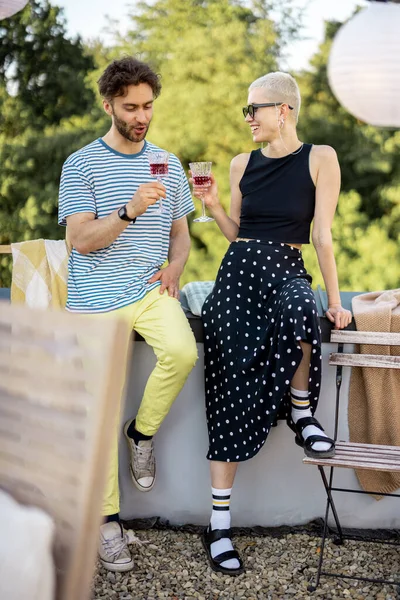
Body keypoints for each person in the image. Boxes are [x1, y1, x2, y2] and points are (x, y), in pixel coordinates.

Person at [193, 72, 352, 575]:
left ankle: (302, 415)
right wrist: (215, 205)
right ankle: (219, 526)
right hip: (238, 274)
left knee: (301, 308)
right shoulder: (242, 163)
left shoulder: (321, 158)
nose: (247, 119)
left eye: (253, 110)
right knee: (227, 387)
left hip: (286, 268)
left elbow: (322, 236)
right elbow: (237, 234)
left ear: (282, 109)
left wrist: (337, 299)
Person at [58, 56, 198, 572]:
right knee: (99, 411)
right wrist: (130, 210)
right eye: (131, 107)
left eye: (148, 106)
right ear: (109, 105)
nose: (142, 116)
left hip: (148, 291)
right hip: (95, 297)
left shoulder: (166, 160)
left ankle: (141, 433)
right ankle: (107, 522)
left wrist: (174, 269)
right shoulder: (82, 164)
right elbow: (79, 240)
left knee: (182, 353)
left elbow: (181, 232)